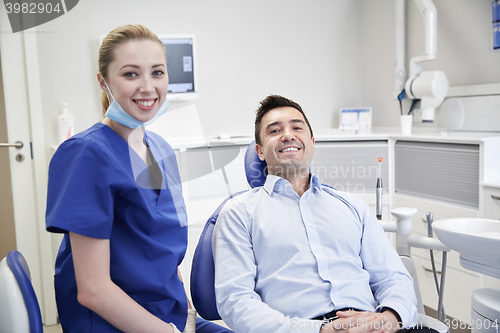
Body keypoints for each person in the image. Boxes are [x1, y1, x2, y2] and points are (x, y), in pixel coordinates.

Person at [46, 24, 232, 333]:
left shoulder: (160, 148)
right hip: (113, 323)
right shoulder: (85, 155)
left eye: (157, 72)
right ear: (103, 82)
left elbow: (166, 258)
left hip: (168, 314)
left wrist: (185, 317)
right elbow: (93, 290)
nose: (147, 87)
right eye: (131, 74)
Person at [212, 95, 437, 333]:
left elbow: (393, 278)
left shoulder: (353, 206)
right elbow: (236, 301)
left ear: (311, 142)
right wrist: (319, 330)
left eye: (297, 127)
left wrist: (391, 318)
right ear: (259, 151)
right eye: (275, 130)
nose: (288, 134)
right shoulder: (238, 214)